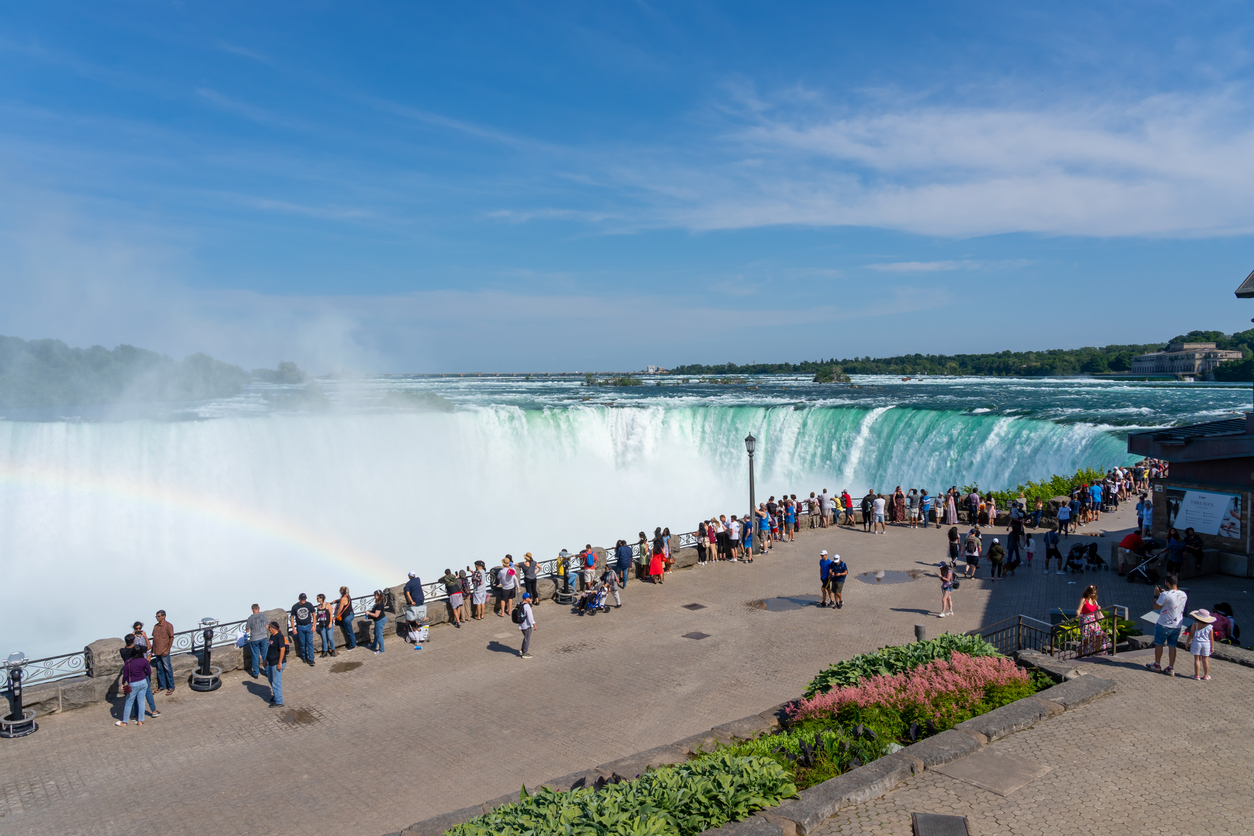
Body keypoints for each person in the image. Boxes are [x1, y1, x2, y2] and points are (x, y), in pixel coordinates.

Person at [1147, 577, 1187, 676]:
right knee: (1172, 646)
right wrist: (1163, 595)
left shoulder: (1165, 595)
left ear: (1167, 583)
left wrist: (1156, 596)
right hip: (1177, 625)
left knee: (1159, 644)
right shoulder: (1184, 594)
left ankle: (1157, 665)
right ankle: (1170, 668)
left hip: (1164, 624)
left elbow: (1156, 606)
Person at [116, 635, 151, 727]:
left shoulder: (128, 662)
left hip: (133, 683)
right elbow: (149, 671)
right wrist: (144, 675)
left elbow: (125, 675)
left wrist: (123, 684)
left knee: (128, 703)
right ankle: (140, 721)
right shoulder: (143, 660)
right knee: (141, 702)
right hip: (143, 682)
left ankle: (124, 722)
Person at [1076, 585, 1108, 656]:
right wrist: (1079, 614)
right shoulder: (1084, 599)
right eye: (1091, 593)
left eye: (1094, 593)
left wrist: (1098, 608)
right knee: (1086, 639)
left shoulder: (1094, 600)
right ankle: (1080, 653)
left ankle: (1097, 652)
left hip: (1093, 620)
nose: (1093, 595)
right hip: (1085, 620)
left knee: (1099, 635)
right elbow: (1079, 609)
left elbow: (1094, 609)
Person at [1187, 609, 1215, 680]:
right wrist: (1212, 647)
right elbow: (1211, 638)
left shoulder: (1195, 625)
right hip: (1206, 644)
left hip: (1196, 643)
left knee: (1197, 659)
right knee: (1205, 660)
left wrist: (1187, 642)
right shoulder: (1210, 627)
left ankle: (1197, 675)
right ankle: (1206, 675)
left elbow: (1191, 635)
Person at [151, 610, 175, 696]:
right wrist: (151, 651)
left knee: (167, 669)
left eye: (159, 616)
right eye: (156, 616)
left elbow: (171, 638)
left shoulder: (168, 626)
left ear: (163, 616)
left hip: (164, 651)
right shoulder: (156, 626)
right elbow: (154, 639)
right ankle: (162, 686)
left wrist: (167, 649)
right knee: (160, 669)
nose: (157, 618)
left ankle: (171, 686)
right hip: (157, 651)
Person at [289, 593, 316, 666]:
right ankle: (304, 656)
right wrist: (293, 628)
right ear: (299, 599)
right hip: (300, 627)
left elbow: (313, 614)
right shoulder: (295, 607)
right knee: (302, 643)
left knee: (310, 642)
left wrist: (314, 625)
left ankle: (311, 659)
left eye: (304, 599)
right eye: (302, 599)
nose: (304, 600)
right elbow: (292, 618)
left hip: (308, 625)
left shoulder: (309, 605)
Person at [265, 621, 286, 706]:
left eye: (269, 628)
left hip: (277, 663)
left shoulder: (279, 637)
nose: (268, 629)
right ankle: (276, 695)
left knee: (276, 682)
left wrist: (279, 663)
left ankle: (279, 701)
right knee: (271, 679)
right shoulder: (272, 636)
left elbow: (282, 649)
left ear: (273, 628)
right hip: (271, 662)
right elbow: (270, 649)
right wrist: (266, 660)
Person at [405, 572, 429, 644]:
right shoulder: (418, 579)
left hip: (415, 600)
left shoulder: (408, 584)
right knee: (421, 615)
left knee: (415, 616)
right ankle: (421, 631)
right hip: (421, 598)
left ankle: (416, 632)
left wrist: (411, 601)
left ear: (409, 576)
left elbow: (407, 593)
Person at [246, 603, 270, 676]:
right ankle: (267, 671)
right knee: (264, 654)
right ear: (259, 608)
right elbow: (267, 626)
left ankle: (256, 673)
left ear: (252, 610)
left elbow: (247, 630)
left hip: (254, 639)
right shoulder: (263, 616)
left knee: (255, 656)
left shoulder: (250, 618)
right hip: (263, 637)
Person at [517, 592, 536, 658]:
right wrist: (534, 624)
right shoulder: (527, 606)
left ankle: (522, 649)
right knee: (527, 638)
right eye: (529, 597)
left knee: (525, 637)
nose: (530, 598)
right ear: (526, 598)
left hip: (521, 624)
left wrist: (530, 604)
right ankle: (524, 652)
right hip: (526, 625)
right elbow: (530, 617)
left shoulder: (520, 604)